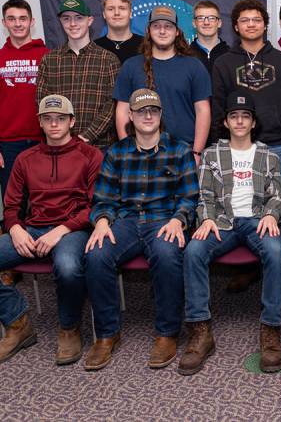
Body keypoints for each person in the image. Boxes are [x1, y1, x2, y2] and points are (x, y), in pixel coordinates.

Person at [0, 95, 102, 367]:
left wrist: (61, 230)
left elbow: (96, 206)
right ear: (40, 122)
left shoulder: (91, 155)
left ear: (72, 121)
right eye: (48, 119)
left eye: (60, 118)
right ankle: (18, 324)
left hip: (72, 230)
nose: (54, 124)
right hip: (31, 230)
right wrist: (15, 229)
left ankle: (69, 328)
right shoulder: (26, 158)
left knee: (69, 267)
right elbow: (11, 204)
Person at [83, 89, 198, 371]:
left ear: (161, 116)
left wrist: (178, 220)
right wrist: (101, 220)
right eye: (141, 111)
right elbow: (104, 198)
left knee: (168, 255)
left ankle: (167, 333)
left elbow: (190, 198)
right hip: (126, 220)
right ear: (130, 116)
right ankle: (107, 334)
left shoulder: (180, 150)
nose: (148, 116)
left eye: (154, 111)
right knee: (96, 255)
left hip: (163, 220)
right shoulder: (116, 153)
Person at [179, 91, 281, 375]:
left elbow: (277, 195)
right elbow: (203, 194)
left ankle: (271, 329)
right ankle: (200, 331)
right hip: (222, 223)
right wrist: (205, 219)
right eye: (234, 116)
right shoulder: (212, 153)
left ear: (253, 123)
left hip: (255, 220)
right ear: (226, 122)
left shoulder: (267, 155)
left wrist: (270, 214)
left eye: (245, 117)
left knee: (277, 252)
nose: (239, 121)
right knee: (193, 251)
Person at [212, 0, 281, 183]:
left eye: (257, 20)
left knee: (278, 206)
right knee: (240, 206)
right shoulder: (223, 63)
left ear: (265, 25)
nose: (251, 24)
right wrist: (220, 146)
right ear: (236, 26)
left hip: (278, 146)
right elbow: (218, 109)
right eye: (245, 20)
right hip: (236, 148)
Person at [113, 5, 212, 164]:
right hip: (140, 152)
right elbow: (122, 110)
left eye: (168, 26)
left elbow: (203, 111)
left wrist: (197, 152)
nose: (162, 31)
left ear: (177, 31)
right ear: (148, 30)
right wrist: (126, 149)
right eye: (156, 26)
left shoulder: (194, 66)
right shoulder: (131, 66)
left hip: (183, 152)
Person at [0, 0, 48, 228]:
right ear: (4, 22)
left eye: (22, 18)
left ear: (32, 22)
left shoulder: (49, 56)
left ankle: (46, 253)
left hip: (44, 142)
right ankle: (14, 251)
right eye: (12, 19)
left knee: (45, 202)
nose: (18, 24)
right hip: (8, 145)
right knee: (13, 205)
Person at [37, 0, 120, 150]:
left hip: (99, 147)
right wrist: (64, 137)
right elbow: (43, 103)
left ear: (89, 21)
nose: (73, 24)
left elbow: (113, 105)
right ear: (61, 22)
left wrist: (87, 136)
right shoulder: (49, 60)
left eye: (79, 18)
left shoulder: (108, 59)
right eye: (66, 18)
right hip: (61, 146)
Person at [94, 0, 144, 65]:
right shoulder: (94, 47)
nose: (116, 13)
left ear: (130, 13)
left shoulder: (146, 45)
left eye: (122, 8)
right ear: (104, 14)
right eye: (111, 9)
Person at [189, 0, 230, 75]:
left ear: (219, 23)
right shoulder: (185, 55)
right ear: (194, 23)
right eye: (200, 18)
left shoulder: (230, 54)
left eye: (211, 18)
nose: (206, 22)